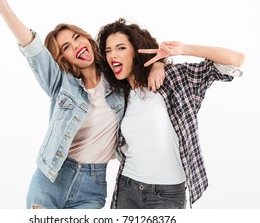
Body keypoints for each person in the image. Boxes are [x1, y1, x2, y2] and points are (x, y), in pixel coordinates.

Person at [0, 0, 166, 209]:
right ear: (63, 58)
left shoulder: (118, 83)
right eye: (67, 46)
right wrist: (4, 8)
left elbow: (142, 52)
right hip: (50, 180)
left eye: (77, 37)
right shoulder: (60, 83)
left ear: (87, 39)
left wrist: (158, 65)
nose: (76, 45)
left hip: (92, 186)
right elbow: (31, 47)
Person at [97, 18, 245, 209]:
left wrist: (183, 49)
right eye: (108, 50)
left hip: (166, 195)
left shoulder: (175, 79)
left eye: (121, 48)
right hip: (128, 188)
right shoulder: (118, 96)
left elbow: (236, 60)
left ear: (137, 50)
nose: (112, 55)